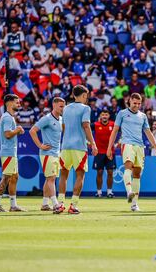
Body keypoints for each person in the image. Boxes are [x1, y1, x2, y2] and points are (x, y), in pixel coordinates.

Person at [106, 93, 156, 212]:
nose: (136, 105)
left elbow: (148, 132)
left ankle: (134, 204)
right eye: (134, 103)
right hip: (127, 144)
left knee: (137, 175)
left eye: (138, 103)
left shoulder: (142, 116)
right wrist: (109, 147)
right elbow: (115, 131)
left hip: (140, 146)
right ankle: (129, 192)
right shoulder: (122, 113)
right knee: (128, 168)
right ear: (129, 101)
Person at [57, 85, 98, 215]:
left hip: (65, 146)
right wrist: (92, 143)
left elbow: (63, 126)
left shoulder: (66, 108)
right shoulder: (86, 108)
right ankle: (73, 205)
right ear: (84, 95)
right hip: (79, 147)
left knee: (63, 175)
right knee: (80, 175)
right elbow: (86, 125)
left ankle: (60, 204)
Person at [29, 97, 65, 212]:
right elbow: (32, 130)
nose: (63, 108)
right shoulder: (47, 119)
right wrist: (40, 145)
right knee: (51, 178)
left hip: (56, 153)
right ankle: (55, 204)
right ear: (54, 105)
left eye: (63, 106)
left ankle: (45, 203)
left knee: (49, 179)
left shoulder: (61, 119)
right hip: (47, 153)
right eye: (61, 106)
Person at [0, 94, 26, 212]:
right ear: (10, 103)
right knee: (6, 178)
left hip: (11, 152)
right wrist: (17, 130)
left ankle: (13, 205)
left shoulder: (9, 117)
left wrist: (16, 131)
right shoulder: (7, 118)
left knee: (14, 177)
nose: (19, 104)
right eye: (17, 102)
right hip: (8, 152)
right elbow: (7, 134)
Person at [93, 109, 116, 198]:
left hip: (110, 152)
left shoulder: (113, 124)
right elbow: (84, 129)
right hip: (99, 153)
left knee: (110, 172)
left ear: (109, 116)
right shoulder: (95, 125)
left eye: (106, 114)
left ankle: (109, 192)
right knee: (99, 172)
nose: (104, 116)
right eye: (103, 115)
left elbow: (123, 131)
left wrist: (119, 141)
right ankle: (99, 192)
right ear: (100, 116)